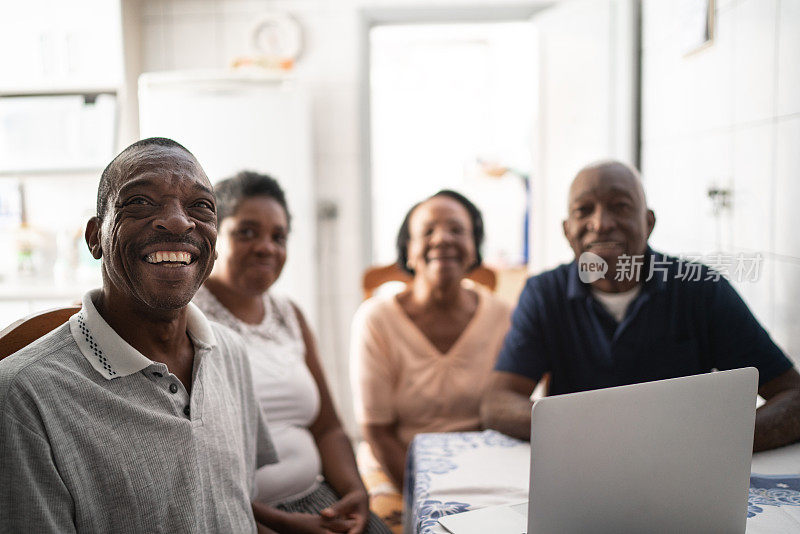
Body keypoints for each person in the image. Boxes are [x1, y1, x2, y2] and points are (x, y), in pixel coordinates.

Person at [0, 138, 279, 533]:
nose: (179, 222)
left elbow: (230, 501)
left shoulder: (230, 352)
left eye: (201, 206)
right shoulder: (26, 397)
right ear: (95, 237)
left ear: (214, 245)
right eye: (139, 202)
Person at [481, 160, 800, 451]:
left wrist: (713, 443)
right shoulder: (544, 294)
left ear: (648, 222)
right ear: (567, 231)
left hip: (683, 472)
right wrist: (585, 434)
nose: (601, 223)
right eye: (584, 210)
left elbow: (792, 397)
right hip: (581, 468)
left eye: (620, 206)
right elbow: (499, 401)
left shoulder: (700, 289)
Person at [193, 171, 390, 534]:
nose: (267, 247)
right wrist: (280, 524)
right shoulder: (186, 317)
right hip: (242, 519)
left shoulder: (288, 314)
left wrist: (354, 492)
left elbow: (327, 427)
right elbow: (192, 469)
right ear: (213, 236)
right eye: (247, 232)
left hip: (317, 500)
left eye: (278, 236)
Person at [351, 190, 511, 529]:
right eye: (427, 231)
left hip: (484, 466)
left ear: (474, 246)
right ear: (408, 249)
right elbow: (377, 431)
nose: (442, 240)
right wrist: (430, 496)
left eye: (457, 230)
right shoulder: (375, 320)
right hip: (398, 463)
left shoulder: (504, 316)